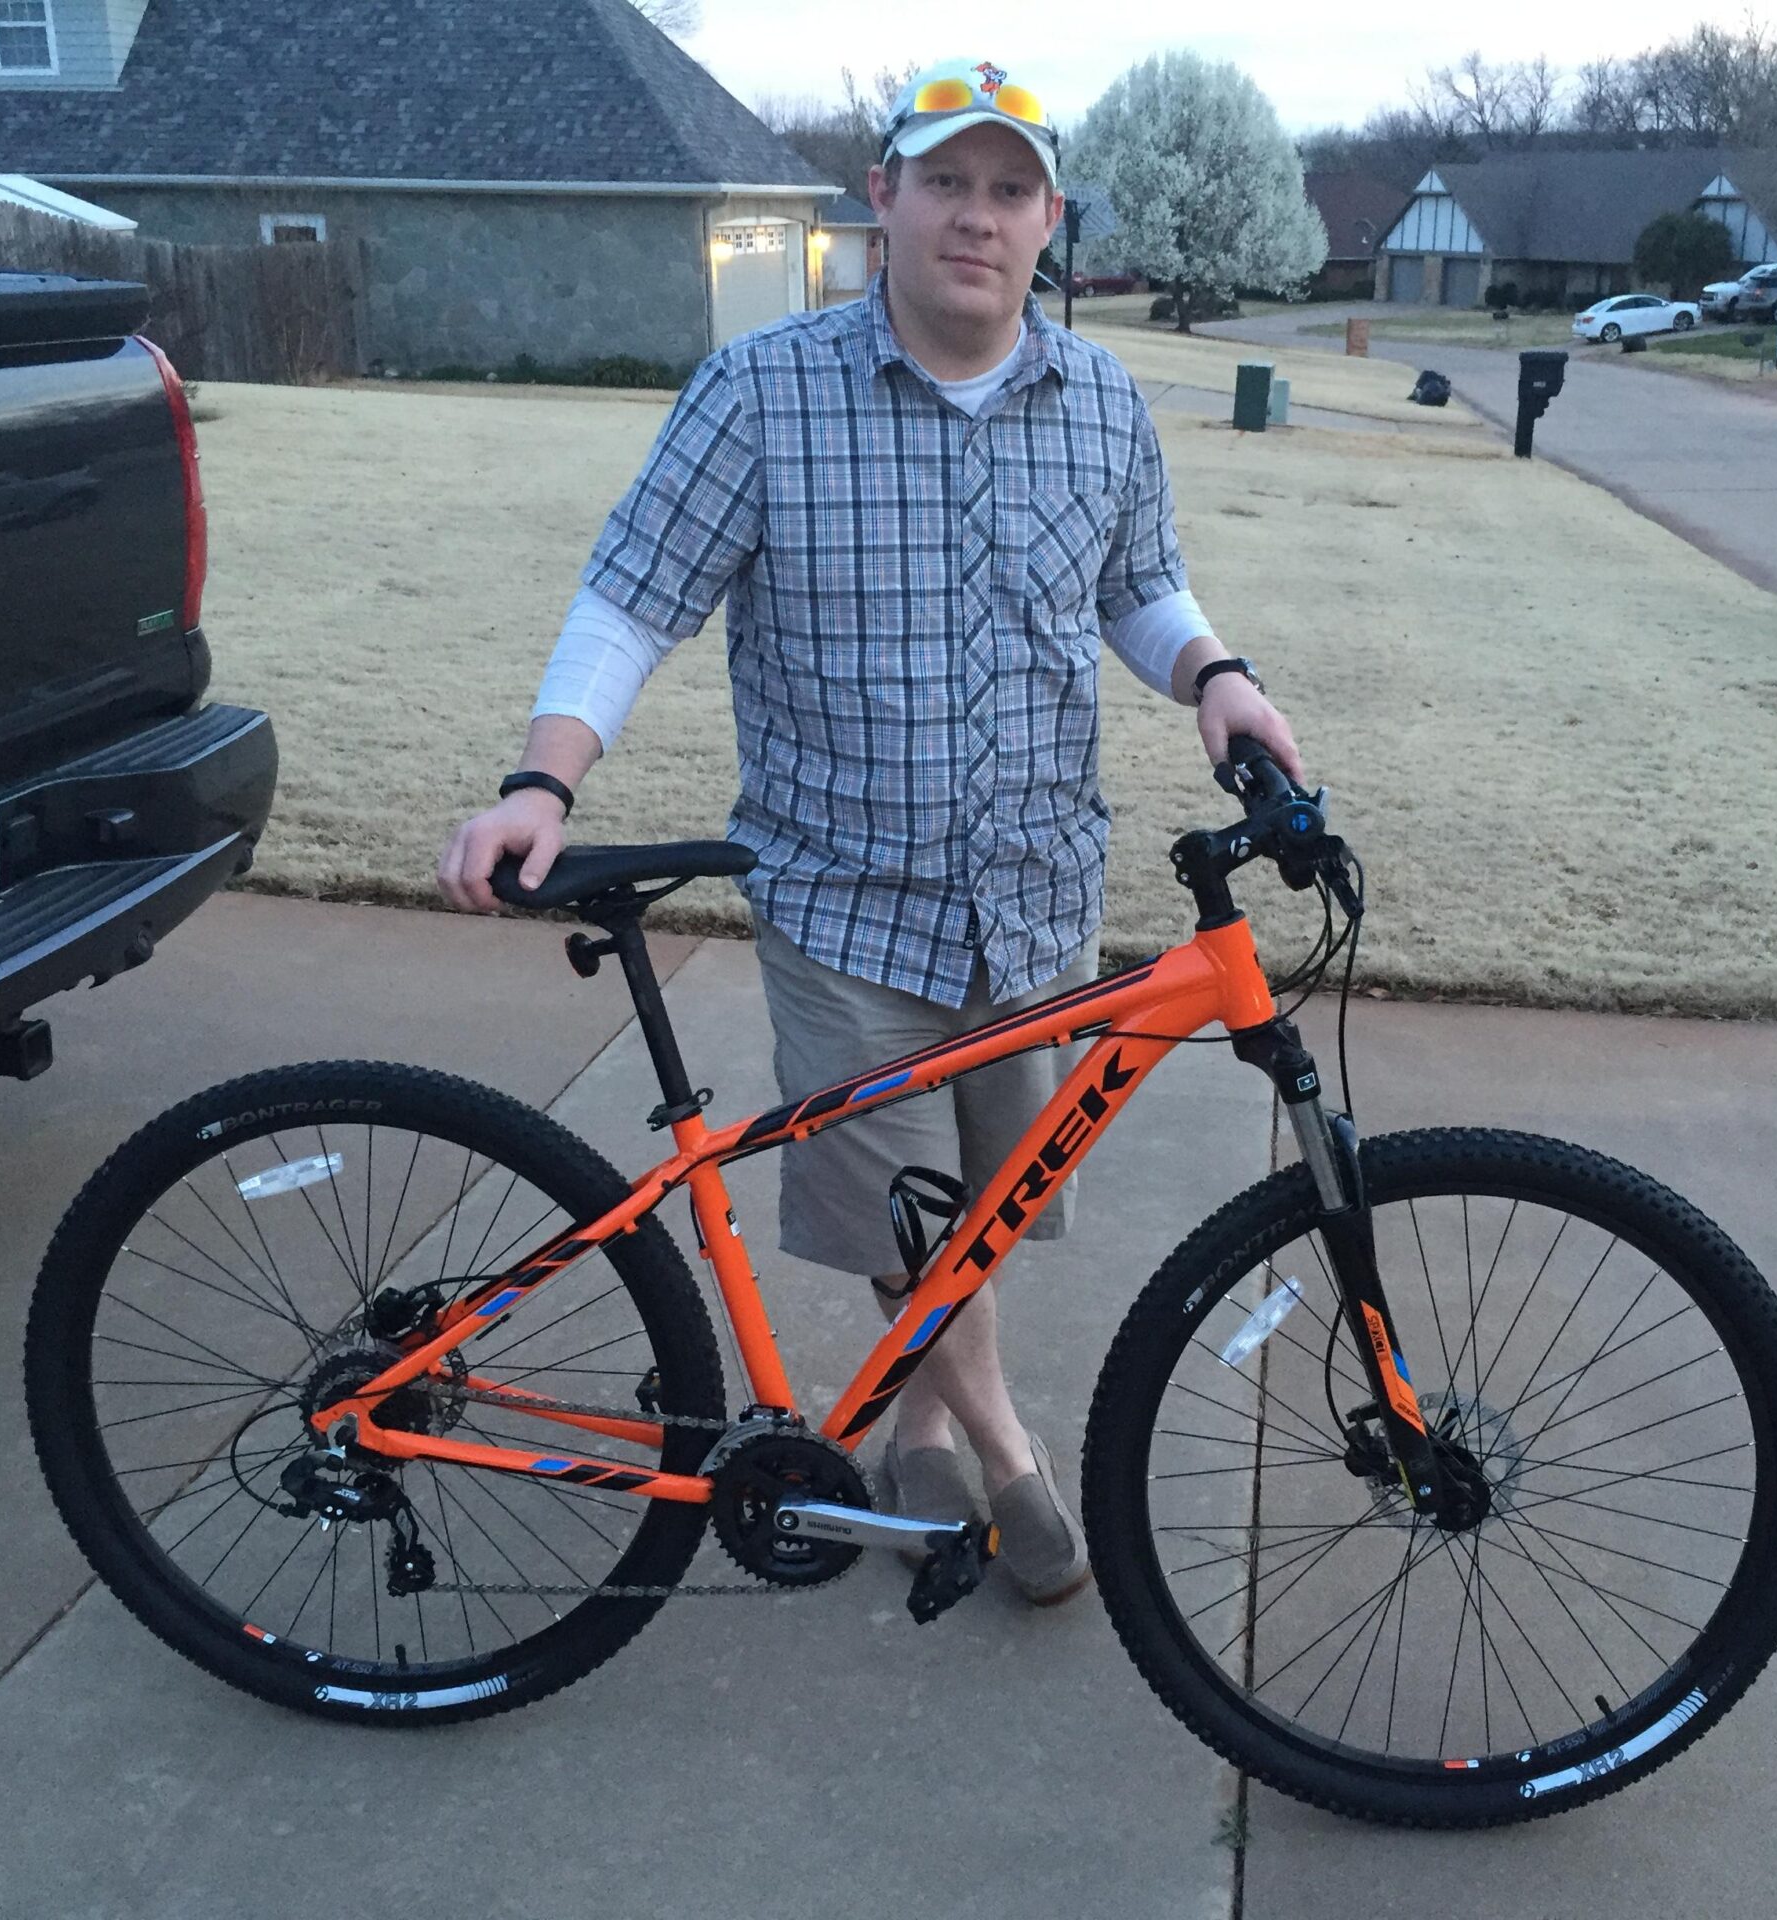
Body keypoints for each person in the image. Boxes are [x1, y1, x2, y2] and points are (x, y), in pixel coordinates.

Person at [438, 56, 1302, 1605]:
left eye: (1011, 189)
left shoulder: (1100, 399)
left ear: (1052, 222)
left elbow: (1137, 584)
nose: (979, 217)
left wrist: (1215, 676)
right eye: (948, 182)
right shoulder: (764, 392)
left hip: (1033, 905)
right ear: (883, 203)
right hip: (847, 908)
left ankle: (915, 1440)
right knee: (920, 1233)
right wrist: (540, 782)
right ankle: (1016, 1459)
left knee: (984, 1216)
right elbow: (634, 601)